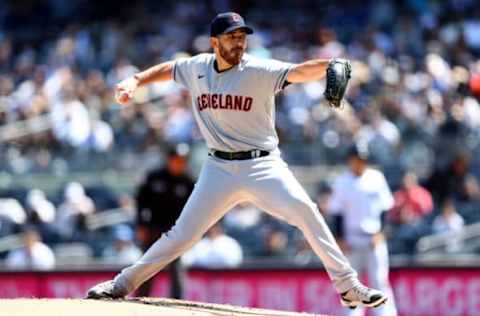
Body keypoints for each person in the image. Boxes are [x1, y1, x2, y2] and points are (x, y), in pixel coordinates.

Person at [86, 12, 387, 310]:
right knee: (181, 235)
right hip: (218, 169)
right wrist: (137, 79)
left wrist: (328, 65)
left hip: (263, 165)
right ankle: (121, 284)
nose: (239, 42)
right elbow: (170, 69)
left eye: (242, 36)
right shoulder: (197, 67)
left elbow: (299, 71)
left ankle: (348, 286)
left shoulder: (258, 69)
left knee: (307, 212)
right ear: (214, 42)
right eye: (232, 36)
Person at [326, 145, 397, 316]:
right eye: (356, 159)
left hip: (374, 238)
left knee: (379, 282)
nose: (359, 162)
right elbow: (337, 213)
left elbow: (386, 209)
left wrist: (381, 233)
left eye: (362, 159)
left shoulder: (376, 178)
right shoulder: (342, 181)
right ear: (349, 160)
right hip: (351, 238)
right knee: (351, 284)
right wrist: (341, 238)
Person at [134, 144, 194, 298]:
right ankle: (141, 299)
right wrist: (141, 224)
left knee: (176, 266)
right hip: (153, 228)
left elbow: (194, 208)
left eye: (182, 161)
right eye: (176, 160)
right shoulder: (154, 177)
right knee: (147, 264)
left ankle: (178, 303)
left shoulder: (188, 181)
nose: (178, 163)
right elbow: (140, 201)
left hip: (175, 230)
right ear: (168, 159)